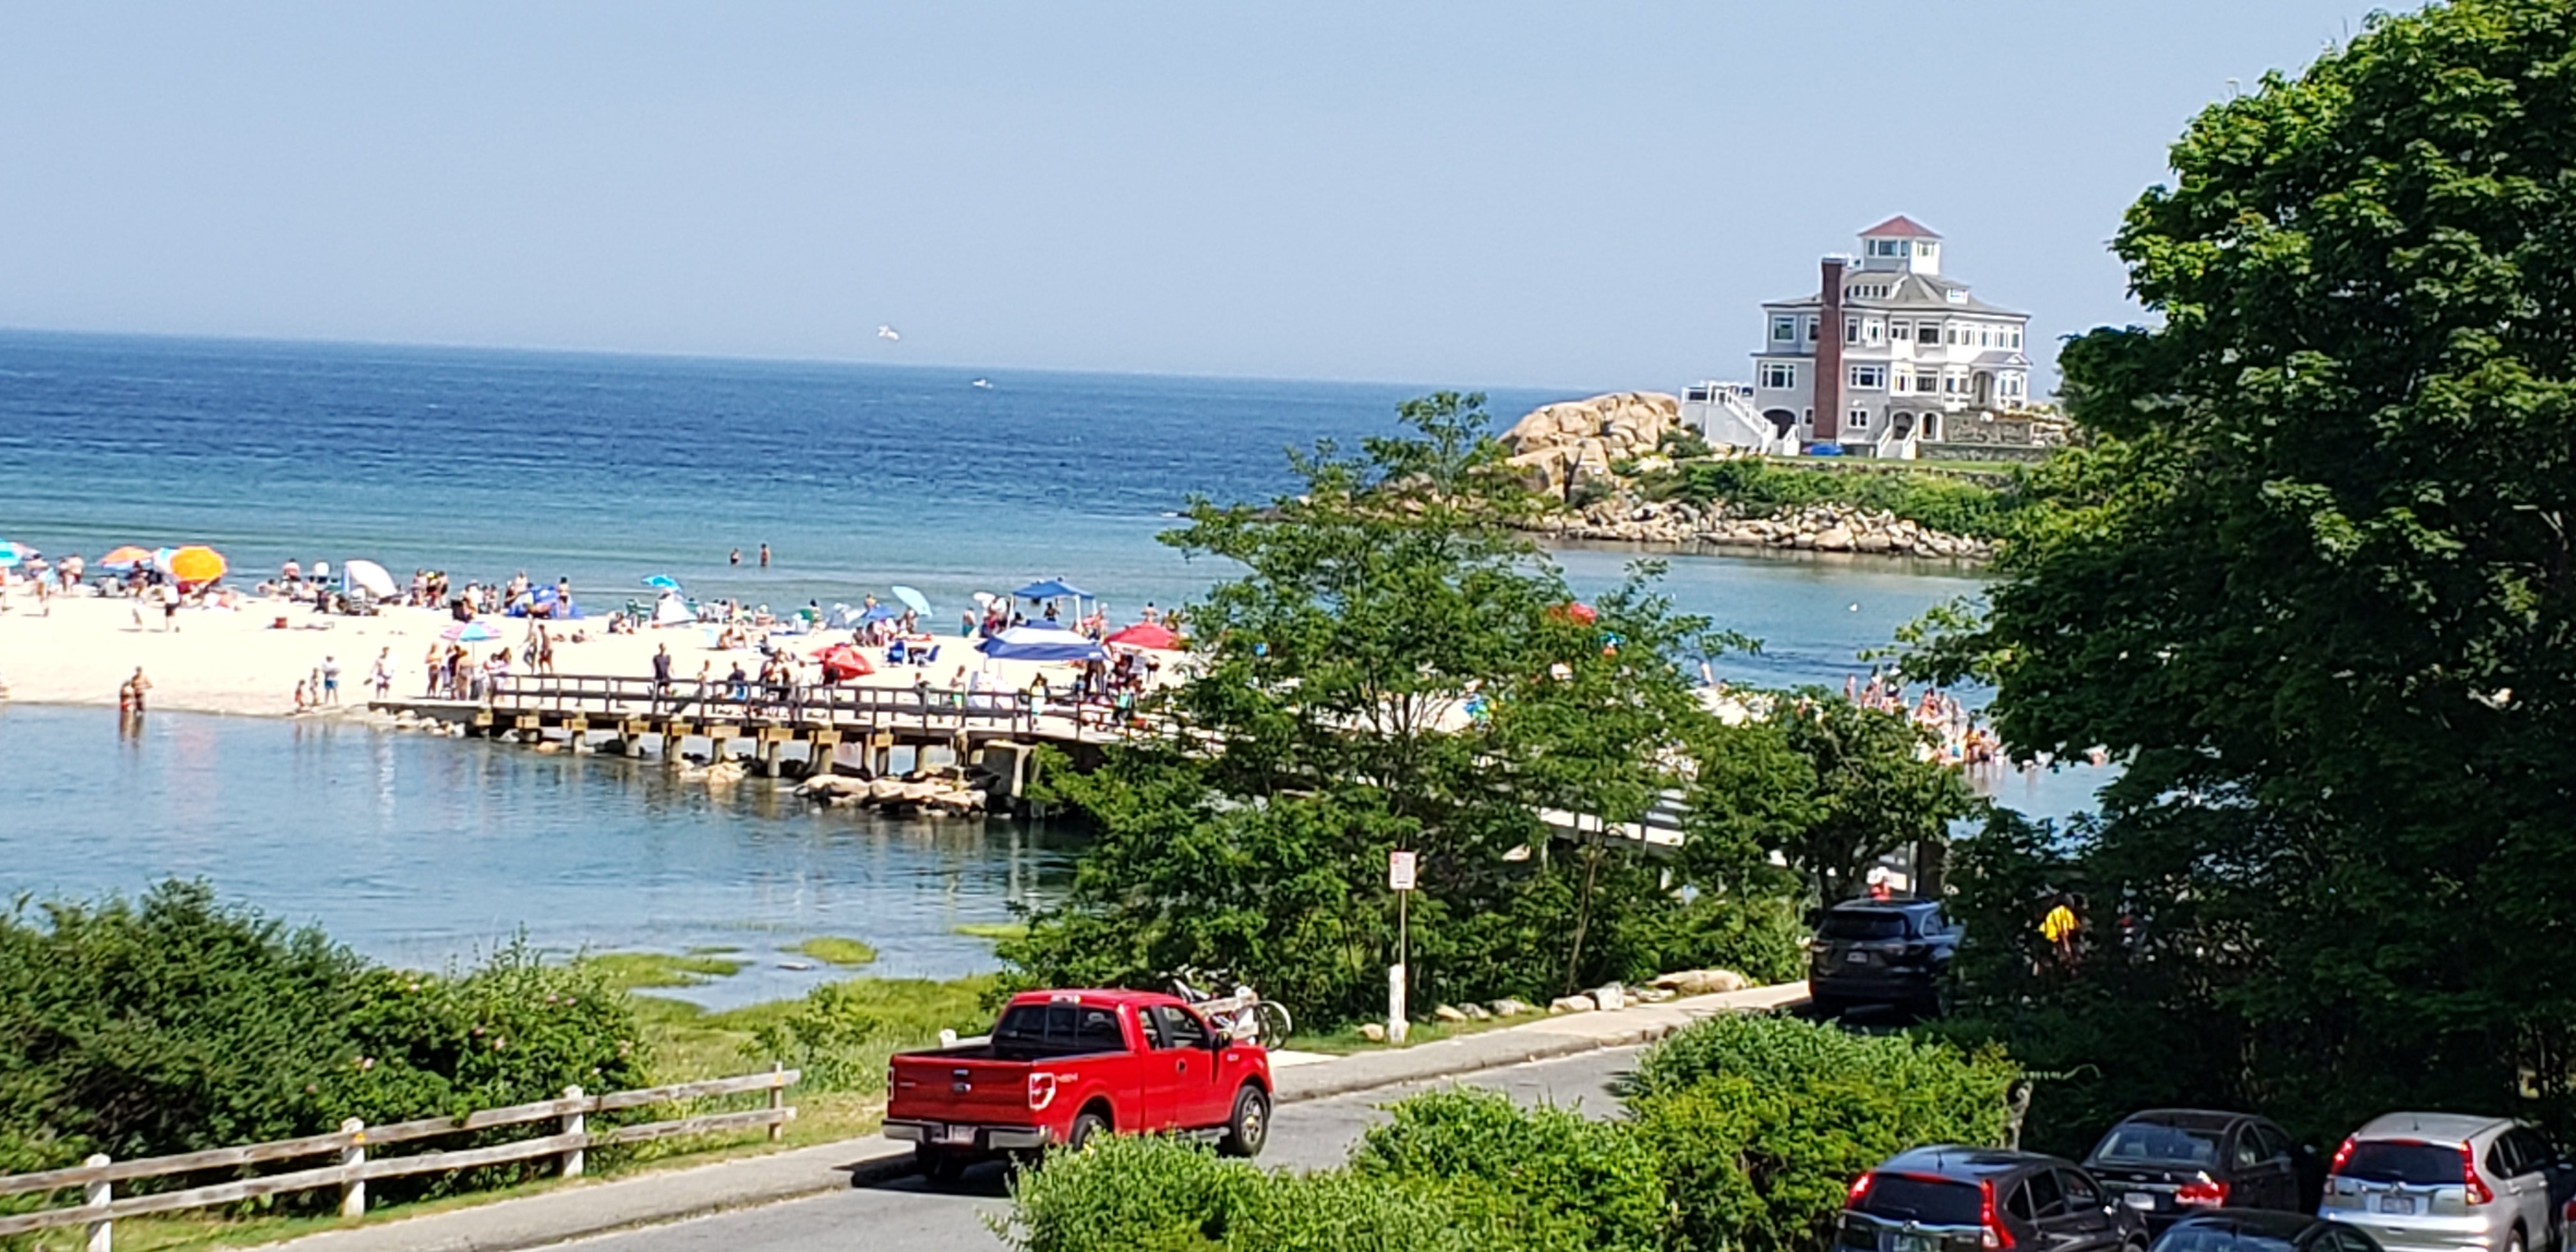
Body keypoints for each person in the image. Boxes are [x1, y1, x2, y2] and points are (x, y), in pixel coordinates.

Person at [2040, 893, 2081, 968]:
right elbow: (2072, 926)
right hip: (2065, 938)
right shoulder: (2066, 912)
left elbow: (2043, 928)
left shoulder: (2050, 914)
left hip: (2054, 939)